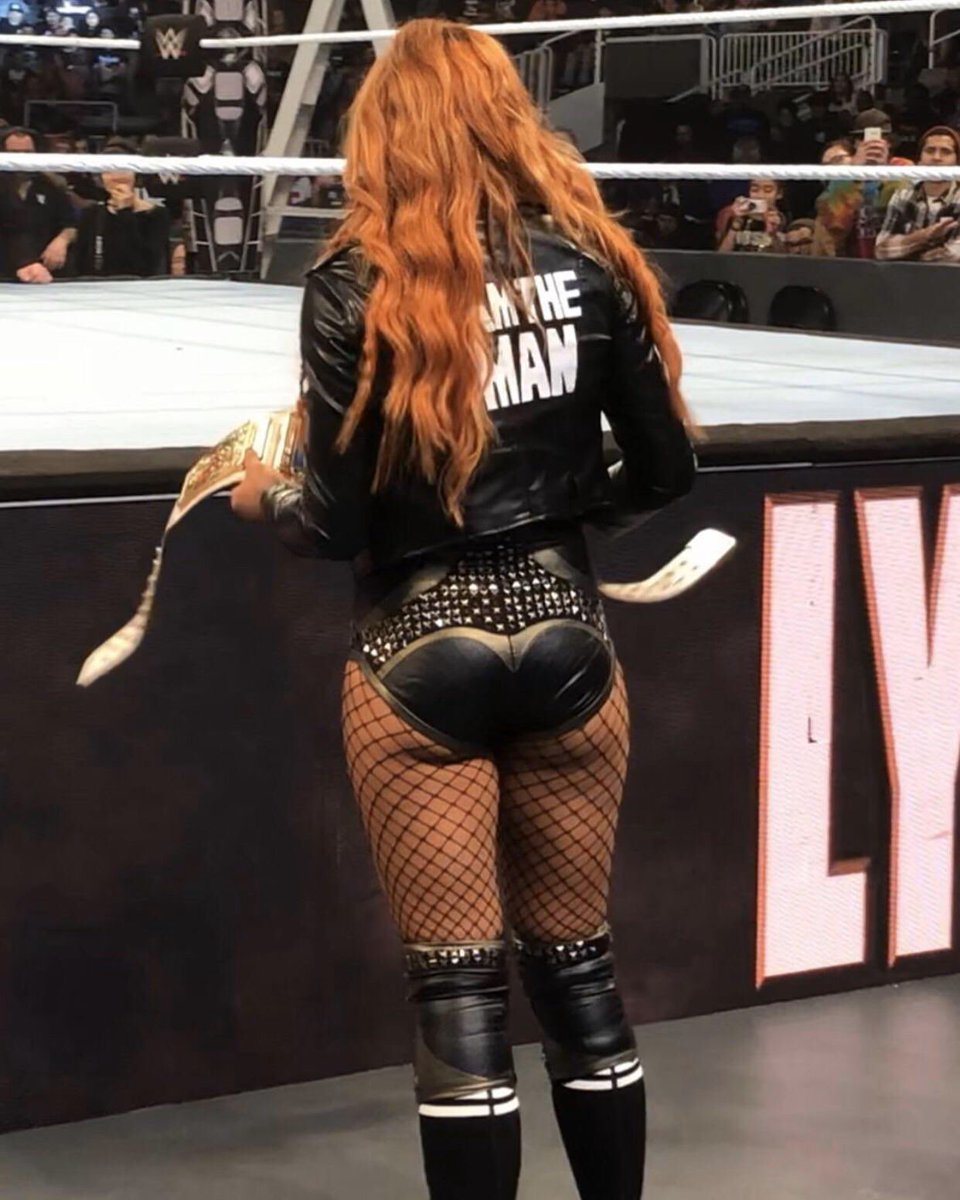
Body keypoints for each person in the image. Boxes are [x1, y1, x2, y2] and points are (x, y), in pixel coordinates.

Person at [230, 18, 696, 1200]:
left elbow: (331, 523)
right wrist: (555, 513)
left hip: (416, 649)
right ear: (508, 117)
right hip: (567, 636)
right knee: (580, 971)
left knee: (459, 991)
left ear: (383, 135)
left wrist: (260, 493)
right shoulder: (590, 263)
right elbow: (665, 471)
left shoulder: (354, 283)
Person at [813, 110, 902, 258]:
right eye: (863, 139)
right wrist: (854, 173)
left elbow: (903, 211)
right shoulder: (845, 176)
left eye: (880, 138)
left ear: (889, 143)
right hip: (852, 260)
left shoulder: (903, 168)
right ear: (856, 144)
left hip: (894, 260)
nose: (872, 144)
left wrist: (883, 172)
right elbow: (832, 224)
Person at [74, 148, 171, 277]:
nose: (117, 176)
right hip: (99, 286)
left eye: (123, 169)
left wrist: (125, 211)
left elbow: (148, 264)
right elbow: (81, 263)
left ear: (135, 174)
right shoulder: (91, 214)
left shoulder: (156, 214)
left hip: (140, 284)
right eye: (109, 171)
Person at [0, 126, 76, 282]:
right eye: (14, 153)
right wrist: (23, 263)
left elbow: (70, 223)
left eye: (27, 153)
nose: (22, 159)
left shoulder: (49, 185)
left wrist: (62, 240)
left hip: (45, 273)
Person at [876, 125, 960, 262]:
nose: (936, 157)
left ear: (957, 162)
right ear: (919, 160)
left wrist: (908, 247)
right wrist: (924, 236)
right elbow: (882, 250)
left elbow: (953, 255)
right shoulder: (903, 196)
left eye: (946, 152)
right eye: (930, 150)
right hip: (905, 275)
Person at [716, 177, 787, 253]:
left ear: (779, 194)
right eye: (754, 190)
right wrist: (735, 224)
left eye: (767, 191)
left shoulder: (782, 220)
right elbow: (721, 255)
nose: (760, 196)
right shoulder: (733, 215)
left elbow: (786, 256)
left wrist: (772, 232)